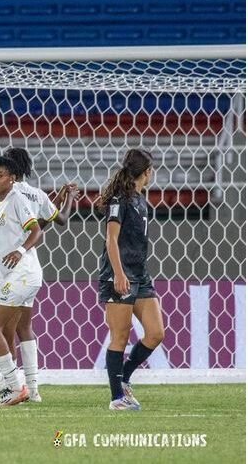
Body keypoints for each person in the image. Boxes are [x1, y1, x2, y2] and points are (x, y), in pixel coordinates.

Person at [0, 147, 79, 403]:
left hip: (2, 264)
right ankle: (32, 388)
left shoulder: (3, 193)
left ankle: (5, 382)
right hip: (29, 263)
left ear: (9, 171)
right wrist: (69, 197)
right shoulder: (37, 194)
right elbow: (61, 220)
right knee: (24, 327)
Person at [97, 148, 164, 411]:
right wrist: (119, 274)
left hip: (141, 275)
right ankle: (117, 399)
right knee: (120, 337)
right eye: (151, 169)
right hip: (119, 275)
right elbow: (111, 239)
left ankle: (124, 377)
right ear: (147, 171)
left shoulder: (140, 201)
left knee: (156, 333)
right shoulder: (119, 200)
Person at [0, 156, 43, 406]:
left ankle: (14, 386)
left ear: (12, 178)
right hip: (17, 276)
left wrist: (21, 251)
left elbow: (37, 230)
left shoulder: (17, 199)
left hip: (23, 273)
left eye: (0, 175)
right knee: (4, 330)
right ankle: (15, 386)